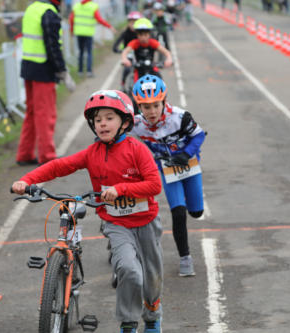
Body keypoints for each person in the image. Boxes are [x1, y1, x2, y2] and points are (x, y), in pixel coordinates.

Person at [12, 90, 164, 333]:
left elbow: (155, 185)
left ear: (125, 122)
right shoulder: (92, 153)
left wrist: (121, 189)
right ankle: (128, 322)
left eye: (109, 118)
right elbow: (59, 166)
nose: (102, 123)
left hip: (146, 223)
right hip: (117, 225)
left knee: (152, 279)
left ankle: (152, 315)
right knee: (128, 270)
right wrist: (27, 180)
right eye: (97, 119)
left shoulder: (138, 149)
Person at [130, 75, 205, 276]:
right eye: (146, 107)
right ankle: (185, 258)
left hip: (189, 165)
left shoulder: (180, 117)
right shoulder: (136, 123)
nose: (152, 111)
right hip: (167, 171)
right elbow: (117, 131)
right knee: (178, 212)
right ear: (139, 107)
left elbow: (199, 135)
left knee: (196, 212)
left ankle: (194, 205)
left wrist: (186, 154)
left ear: (164, 101)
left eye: (156, 105)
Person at [16, 0, 68, 166]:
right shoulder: (49, 13)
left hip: (28, 67)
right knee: (45, 113)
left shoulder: (31, 8)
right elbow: (52, 46)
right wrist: (61, 69)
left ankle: (25, 154)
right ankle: (47, 155)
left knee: (31, 112)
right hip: (43, 70)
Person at [69, 0, 116, 77]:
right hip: (88, 33)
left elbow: (71, 19)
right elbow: (99, 19)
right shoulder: (93, 6)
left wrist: (71, 31)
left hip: (79, 32)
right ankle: (89, 71)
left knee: (81, 52)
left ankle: (80, 71)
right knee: (89, 52)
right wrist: (109, 26)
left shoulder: (76, 6)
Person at [112, 11, 141, 90]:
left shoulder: (141, 33)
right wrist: (116, 49)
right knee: (127, 69)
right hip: (128, 54)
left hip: (139, 54)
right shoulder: (125, 33)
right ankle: (123, 83)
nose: (133, 24)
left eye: (135, 22)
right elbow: (117, 42)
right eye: (131, 22)